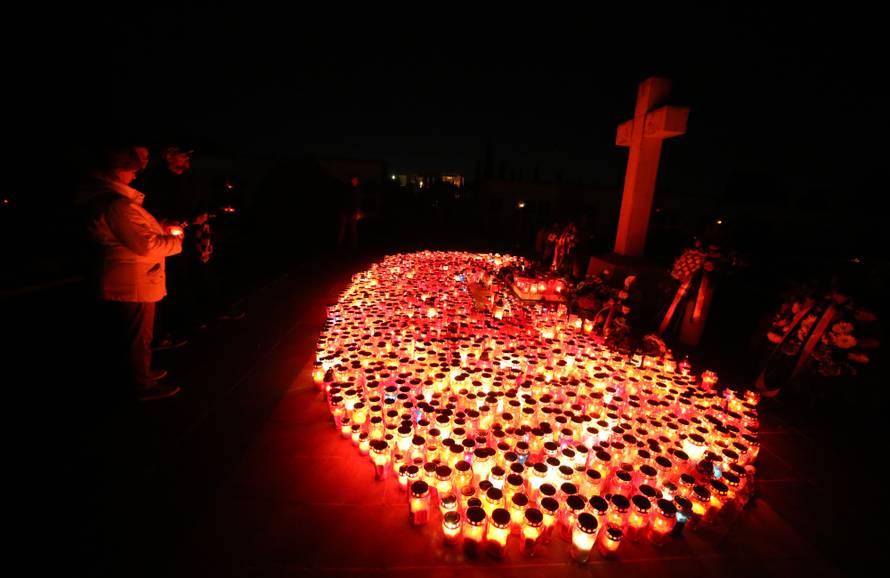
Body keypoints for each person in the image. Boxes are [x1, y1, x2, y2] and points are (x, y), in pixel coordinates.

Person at [77, 147, 183, 401]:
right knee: (137, 337)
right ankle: (139, 384)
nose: (135, 176)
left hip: (131, 278)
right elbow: (145, 244)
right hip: (132, 281)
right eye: (132, 170)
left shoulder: (111, 201)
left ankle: (139, 372)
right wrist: (174, 241)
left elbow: (134, 233)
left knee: (134, 335)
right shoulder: (117, 205)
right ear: (117, 171)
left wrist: (160, 228)